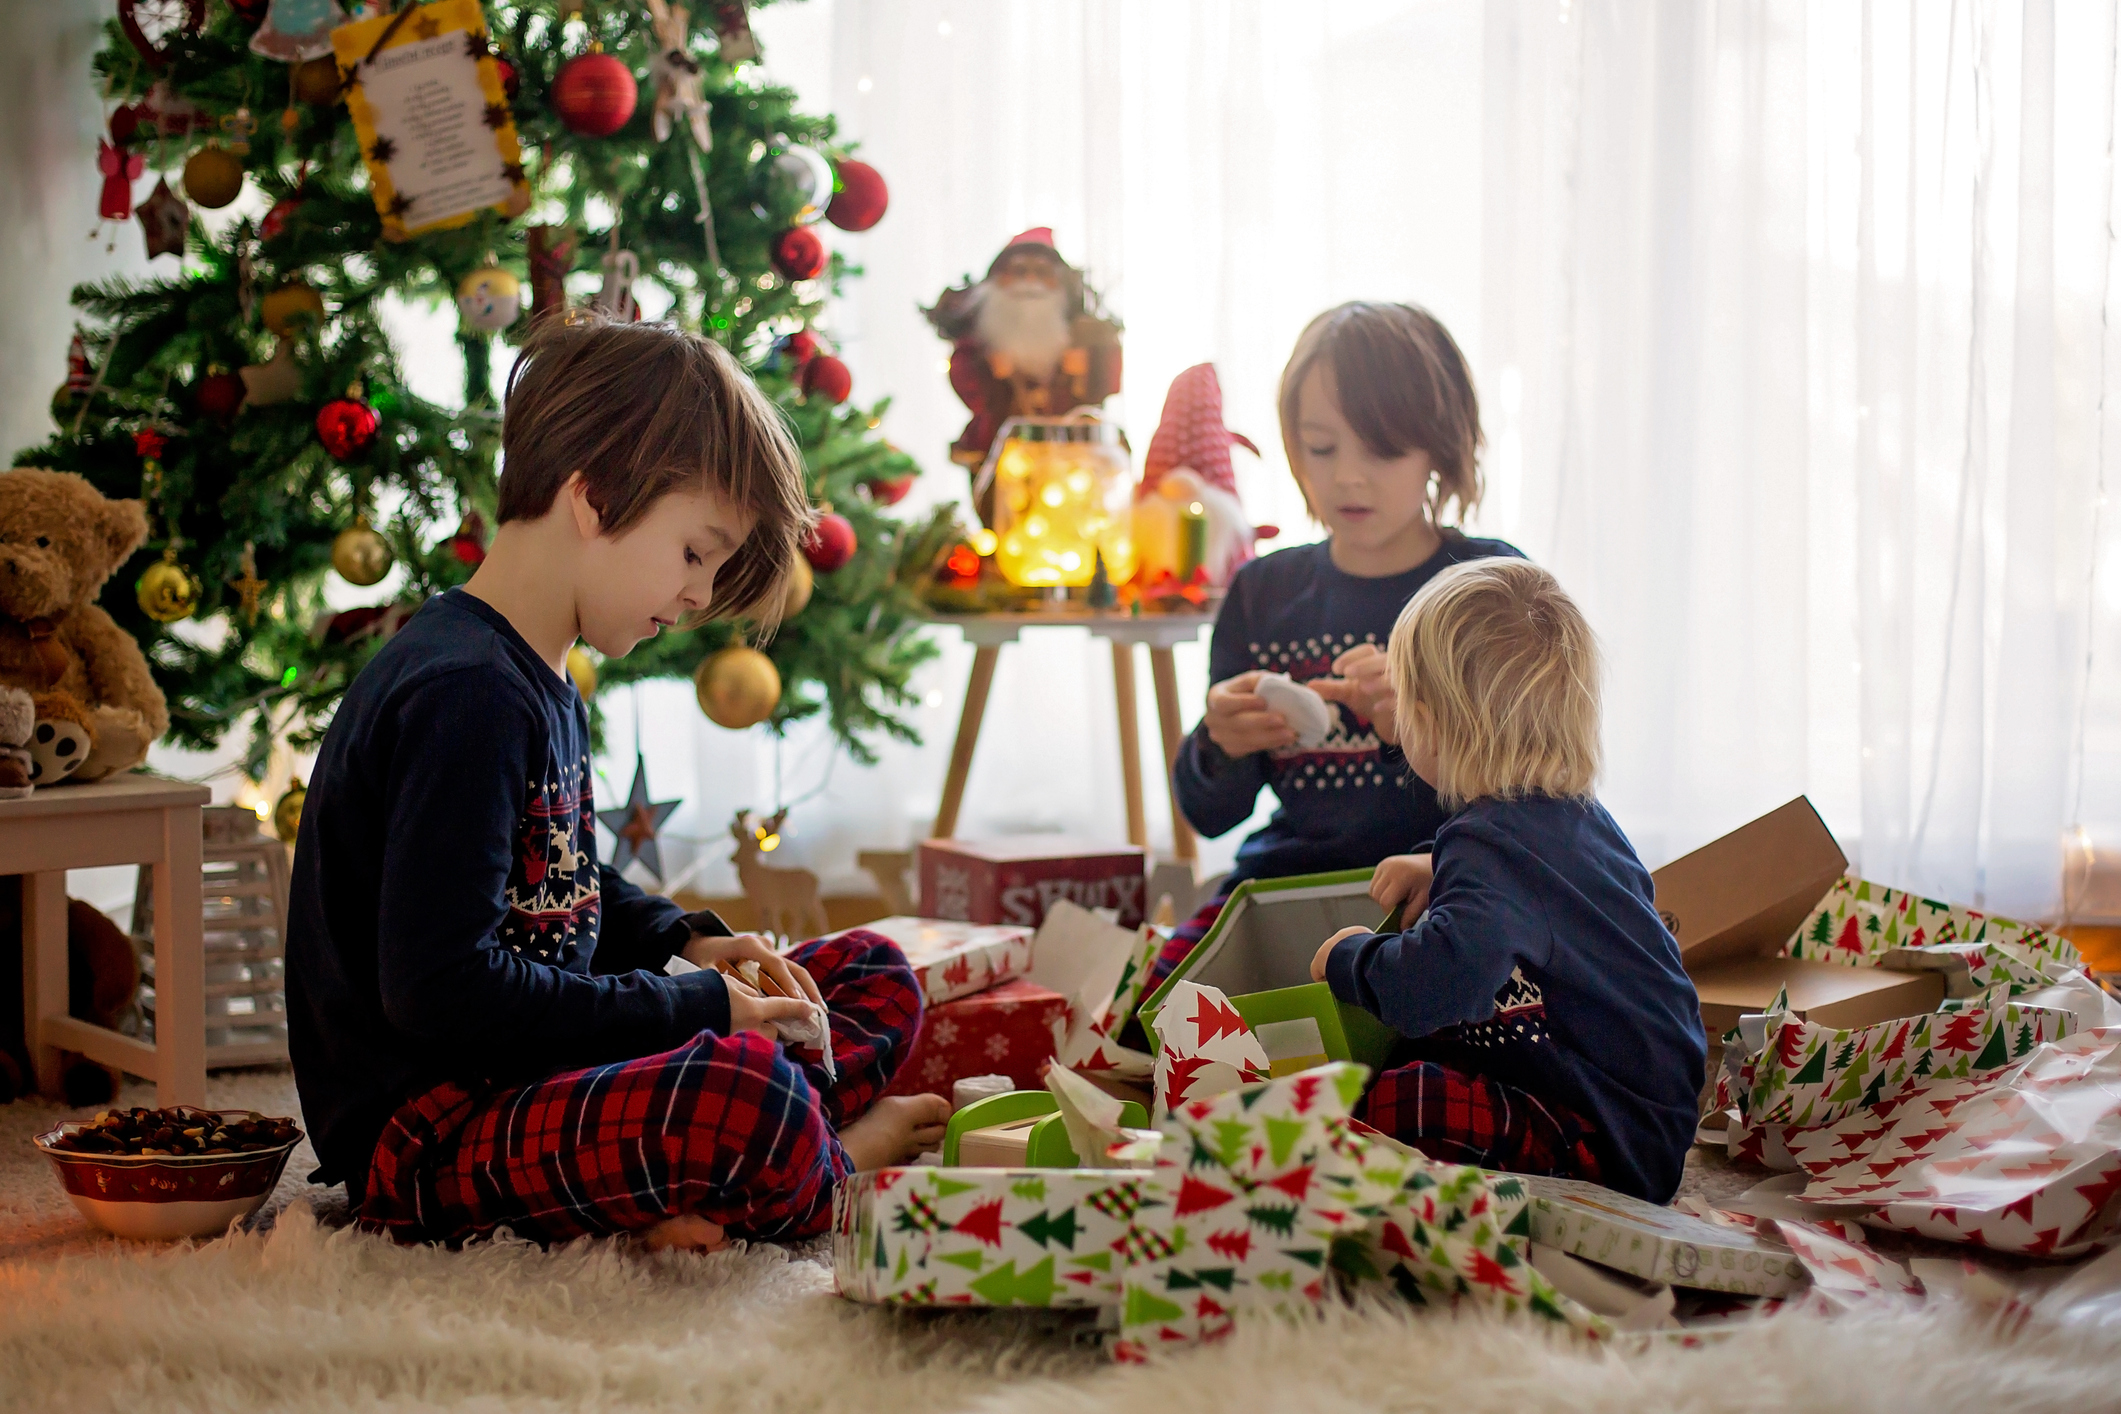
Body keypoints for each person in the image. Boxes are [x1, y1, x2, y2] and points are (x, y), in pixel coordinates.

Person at [285, 313, 950, 1254]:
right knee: (747, 1097)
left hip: (531, 1067)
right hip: (434, 1125)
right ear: (592, 498)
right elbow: (438, 993)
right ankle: (831, 1164)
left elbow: (558, 884)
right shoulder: (464, 694)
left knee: (872, 977)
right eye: (693, 554)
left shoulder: (535, 674)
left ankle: (703, 1182)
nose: (697, 597)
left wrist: (684, 940)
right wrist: (689, 1008)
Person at [1307, 559, 1704, 1203]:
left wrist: (1352, 957)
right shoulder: (1572, 817)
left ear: (1432, 723)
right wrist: (1438, 868)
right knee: (1423, 1052)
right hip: (1646, 1117)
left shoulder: (1487, 842)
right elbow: (1535, 899)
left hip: (1603, 1136)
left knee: (1400, 1098)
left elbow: (1438, 985)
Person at [1151, 301, 1519, 988]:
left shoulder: (1486, 586)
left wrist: (1418, 720)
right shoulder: (1262, 591)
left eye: (1381, 448)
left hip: (1439, 888)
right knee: (1153, 1019)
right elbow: (1209, 813)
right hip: (1285, 885)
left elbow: (1535, 789)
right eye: (1322, 447)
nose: (1348, 476)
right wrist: (1221, 744)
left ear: (1439, 444)